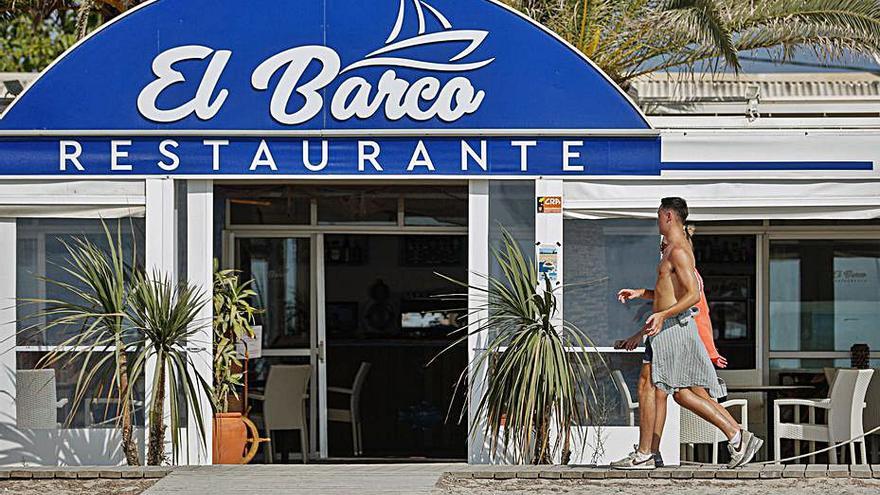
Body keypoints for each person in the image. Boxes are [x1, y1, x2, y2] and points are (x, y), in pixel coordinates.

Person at [610, 197, 762, 470]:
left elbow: (693, 295)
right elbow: (668, 296)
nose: (656, 221)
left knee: (651, 385)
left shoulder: (678, 250)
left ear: (668, 216)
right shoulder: (670, 249)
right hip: (667, 327)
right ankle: (736, 436)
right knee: (675, 392)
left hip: (674, 328)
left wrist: (663, 316)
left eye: (658, 216)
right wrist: (641, 294)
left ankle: (647, 454)